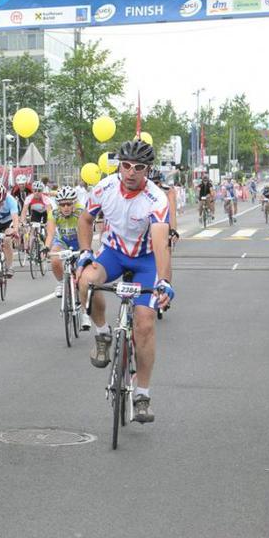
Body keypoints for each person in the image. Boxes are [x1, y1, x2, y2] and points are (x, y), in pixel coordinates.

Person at [76, 140, 173, 424]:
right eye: (126, 165)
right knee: (86, 281)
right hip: (114, 254)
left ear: (148, 170)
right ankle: (102, 333)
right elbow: (85, 220)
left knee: (144, 323)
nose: (131, 172)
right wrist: (85, 252)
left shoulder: (156, 199)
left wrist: (163, 281)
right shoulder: (104, 188)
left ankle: (142, 394)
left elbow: (161, 244)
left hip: (145, 260)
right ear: (119, 165)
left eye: (138, 167)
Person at [43, 185, 85, 297]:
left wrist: (85, 249)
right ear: (58, 205)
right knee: (54, 259)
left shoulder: (81, 211)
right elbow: (51, 233)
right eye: (62, 205)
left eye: (69, 204)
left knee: (83, 271)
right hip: (63, 241)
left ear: (74, 203)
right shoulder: (54, 213)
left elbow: (86, 232)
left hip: (79, 240)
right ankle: (61, 283)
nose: (66, 207)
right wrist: (46, 247)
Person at [18, 179, 52, 252]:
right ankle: (30, 250)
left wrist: (49, 223)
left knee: (47, 229)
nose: (37, 192)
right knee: (32, 230)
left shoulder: (45, 198)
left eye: (39, 191)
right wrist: (22, 222)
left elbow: (49, 213)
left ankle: (47, 246)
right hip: (36, 213)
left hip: (45, 213)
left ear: (42, 191)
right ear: (32, 191)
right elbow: (24, 211)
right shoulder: (29, 198)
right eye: (35, 190)